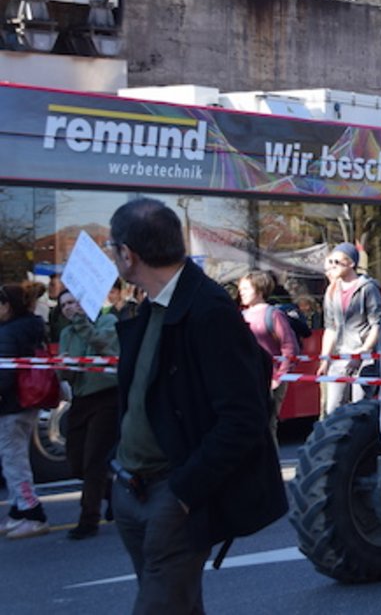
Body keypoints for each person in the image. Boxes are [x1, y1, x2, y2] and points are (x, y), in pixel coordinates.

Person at [107, 198, 286, 611]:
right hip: (133, 487)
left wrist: (185, 493)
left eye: (112, 247)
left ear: (127, 254)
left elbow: (243, 418)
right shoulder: (150, 303)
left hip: (172, 493)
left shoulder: (208, 311)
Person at [57, 281, 123, 540]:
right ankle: (111, 494)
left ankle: (88, 518)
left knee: (94, 459)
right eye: (64, 305)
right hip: (81, 398)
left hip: (106, 396)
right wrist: (64, 369)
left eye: (73, 302)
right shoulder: (66, 334)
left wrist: (82, 322)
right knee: (75, 462)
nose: (69, 308)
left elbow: (104, 345)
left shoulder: (106, 322)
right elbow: (67, 372)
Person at [0, 282, 49, 538]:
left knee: (14, 459)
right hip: (26, 401)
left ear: (7, 306)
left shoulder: (8, 332)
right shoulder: (33, 326)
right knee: (14, 457)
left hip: (10, 406)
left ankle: (33, 512)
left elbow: (4, 375)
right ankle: (18, 510)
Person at [319, 242, 381, 417]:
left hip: (364, 359)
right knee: (333, 410)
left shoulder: (368, 288)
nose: (332, 266)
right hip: (339, 358)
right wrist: (325, 359)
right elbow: (330, 328)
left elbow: (376, 326)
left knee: (360, 411)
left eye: (337, 262)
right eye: (331, 262)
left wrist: (361, 354)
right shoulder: (331, 291)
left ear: (351, 264)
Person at [238, 270, 297, 441]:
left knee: (267, 426)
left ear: (259, 289)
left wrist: (278, 378)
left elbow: (289, 347)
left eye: (246, 289)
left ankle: (270, 465)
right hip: (249, 379)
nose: (241, 293)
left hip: (271, 380)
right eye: (241, 289)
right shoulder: (241, 315)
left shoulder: (273, 315)